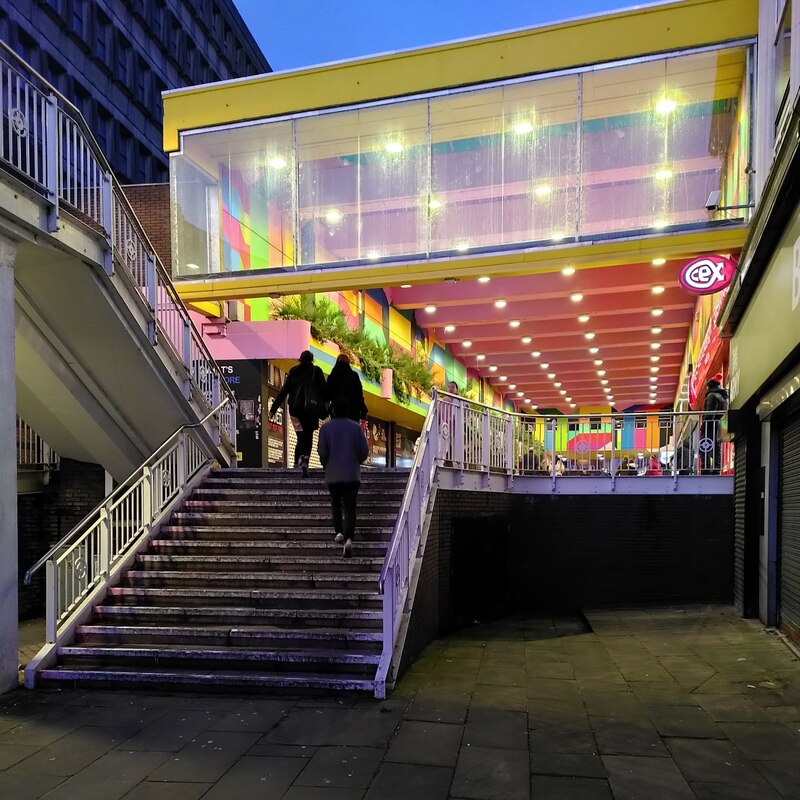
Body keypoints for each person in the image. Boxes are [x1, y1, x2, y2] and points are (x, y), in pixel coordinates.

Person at [318, 396, 370, 557]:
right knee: (350, 506)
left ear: (333, 410)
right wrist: (356, 461)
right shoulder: (355, 428)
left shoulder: (325, 429)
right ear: (348, 411)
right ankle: (349, 539)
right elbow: (363, 452)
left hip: (333, 473)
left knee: (335, 502)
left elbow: (322, 451)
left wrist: (327, 465)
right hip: (351, 474)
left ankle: (339, 531)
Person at [269, 350, 326, 478]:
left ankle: (296, 464)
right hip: (311, 410)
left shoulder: (294, 371)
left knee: (300, 436)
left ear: (300, 359)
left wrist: (273, 409)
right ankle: (305, 459)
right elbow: (324, 390)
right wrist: (326, 409)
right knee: (308, 435)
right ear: (312, 359)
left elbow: (284, 391)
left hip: (295, 410)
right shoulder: (316, 371)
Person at [325, 353, 368, 423]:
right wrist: (363, 410)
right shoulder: (354, 376)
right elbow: (359, 395)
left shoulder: (333, 376)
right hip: (353, 413)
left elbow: (327, 394)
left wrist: (327, 410)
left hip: (337, 411)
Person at [701, 373, 729, 472]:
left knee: (704, 446)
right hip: (721, 425)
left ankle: (705, 468)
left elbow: (710, 412)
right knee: (717, 447)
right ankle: (717, 468)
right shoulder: (723, 397)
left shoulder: (712, 396)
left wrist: (704, 425)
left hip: (711, 425)